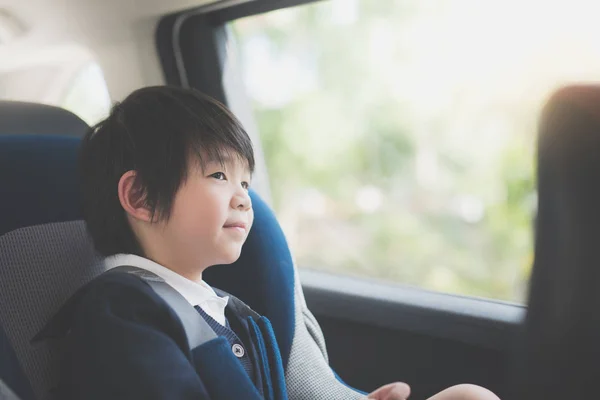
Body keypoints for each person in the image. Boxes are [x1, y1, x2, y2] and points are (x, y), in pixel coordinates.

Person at [56, 85, 500, 400]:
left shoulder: (230, 313)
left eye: (246, 182)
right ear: (141, 197)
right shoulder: (123, 313)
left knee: (470, 395)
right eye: (218, 175)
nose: (244, 198)